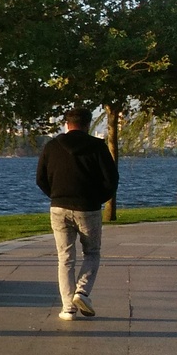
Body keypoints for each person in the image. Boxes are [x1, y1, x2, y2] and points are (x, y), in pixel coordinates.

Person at [36, 107, 118, 321]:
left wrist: (55, 195)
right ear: (88, 124)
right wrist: (97, 200)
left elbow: (40, 178)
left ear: (66, 123)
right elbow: (111, 180)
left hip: (58, 207)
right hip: (88, 208)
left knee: (65, 258)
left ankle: (67, 309)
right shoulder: (98, 147)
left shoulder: (52, 146)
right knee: (92, 252)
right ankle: (81, 292)